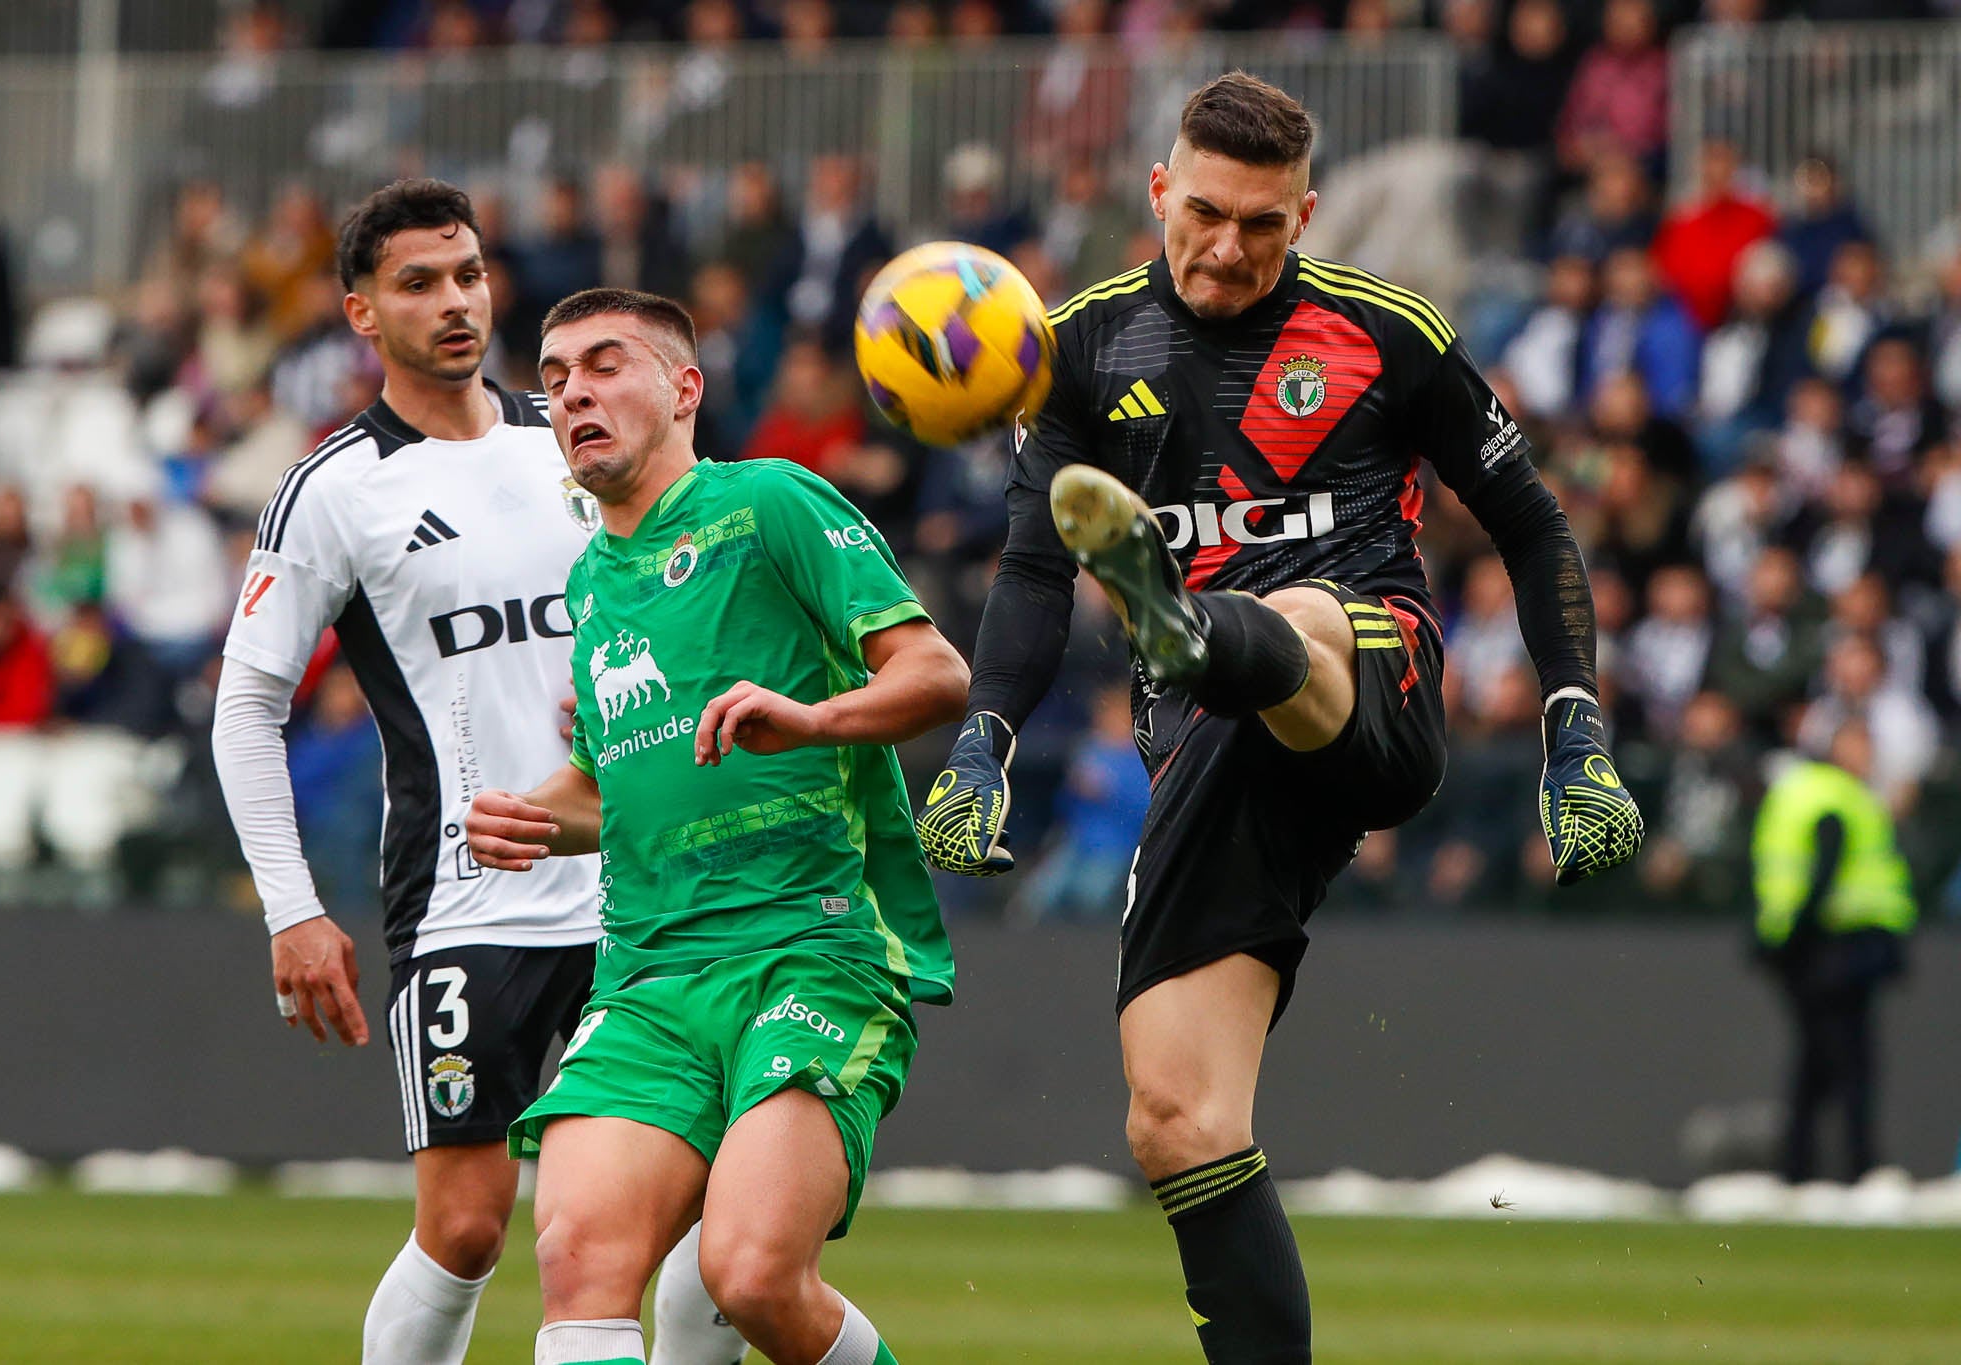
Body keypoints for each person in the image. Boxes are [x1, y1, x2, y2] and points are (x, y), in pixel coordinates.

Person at [916, 73, 1645, 1364]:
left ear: (1305, 213)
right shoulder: (1078, 348)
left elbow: (1534, 527)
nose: (1229, 246)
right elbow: (1031, 568)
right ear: (1159, 192)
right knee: (1176, 1117)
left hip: (1372, 680)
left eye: (1263, 224)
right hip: (1208, 746)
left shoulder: (1391, 334)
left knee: (1302, 614)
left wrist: (1574, 727)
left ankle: (1198, 628)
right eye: (1205, 213)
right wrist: (983, 739)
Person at [211, 182, 740, 1365]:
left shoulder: (575, 441)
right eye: (418, 283)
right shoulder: (336, 488)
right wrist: (293, 911)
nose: (455, 303)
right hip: (468, 897)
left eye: (467, 274)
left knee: (694, 1211)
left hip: (638, 886)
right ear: (360, 313)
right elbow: (246, 706)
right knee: (463, 1227)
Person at [465, 286, 967, 1365]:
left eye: (602, 365)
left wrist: (812, 718)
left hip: (809, 948)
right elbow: (611, 792)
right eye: (551, 380)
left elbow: (935, 674)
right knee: (577, 1259)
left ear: (684, 388)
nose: (570, 394)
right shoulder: (593, 582)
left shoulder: (771, 502)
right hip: (648, 975)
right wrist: (527, 820)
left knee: (749, 1276)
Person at [1752, 719, 1915, 1184]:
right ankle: (1855, 1166)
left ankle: (1799, 1166)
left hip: (1815, 948)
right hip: (1833, 948)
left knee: (1815, 1065)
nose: (1867, 755)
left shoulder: (1804, 791)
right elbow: (1823, 873)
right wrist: (1797, 936)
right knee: (1848, 1066)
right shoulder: (1834, 796)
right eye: (1860, 744)